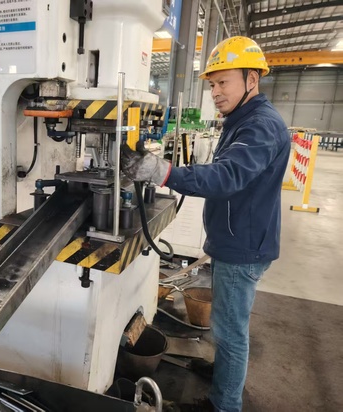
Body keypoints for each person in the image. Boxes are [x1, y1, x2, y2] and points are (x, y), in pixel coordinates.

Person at [121, 36, 291, 412]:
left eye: (223, 82)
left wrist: (162, 171)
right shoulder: (242, 120)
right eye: (212, 84)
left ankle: (223, 404)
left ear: (252, 78)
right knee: (226, 324)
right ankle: (224, 373)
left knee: (230, 332)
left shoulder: (261, 126)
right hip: (236, 237)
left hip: (242, 246)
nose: (215, 92)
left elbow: (226, 177)